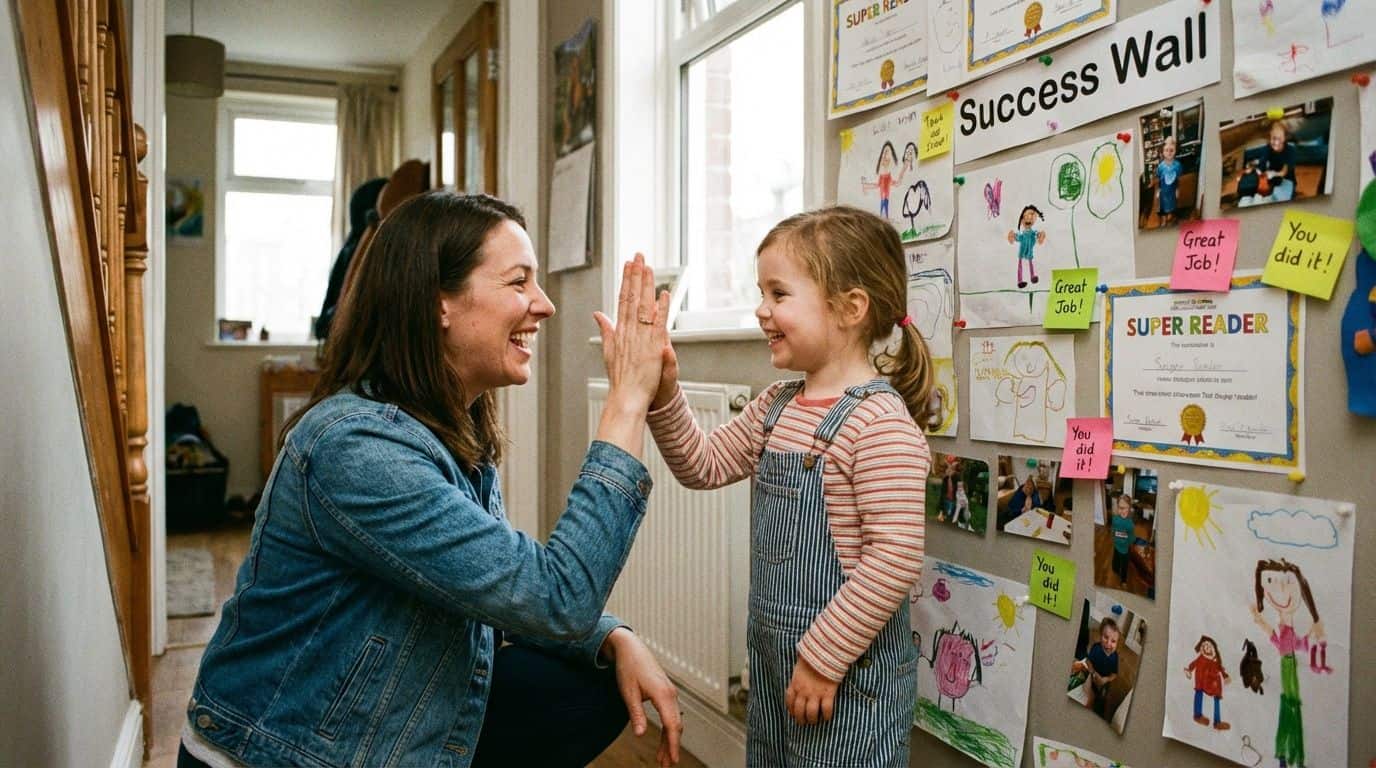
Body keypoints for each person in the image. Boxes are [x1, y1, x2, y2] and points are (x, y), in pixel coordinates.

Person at [178, 192, 684, 768]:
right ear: (438, 301)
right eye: (518, 282)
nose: (543, 305)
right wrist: (627, 402)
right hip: (279, 755)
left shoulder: (448, 426)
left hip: (373, 731)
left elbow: (499, 585)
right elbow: (555, 598)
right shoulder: (357, 447)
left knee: (587, 687)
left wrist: (611, 637)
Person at [645, 205, 933, 766]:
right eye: (761, 293)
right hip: (779, 667)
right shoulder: (776, 406)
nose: (761, 310)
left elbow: (894, 558)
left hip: (845, 682)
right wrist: (664, 393)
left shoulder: (879, 425)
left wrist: (824, 659)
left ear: (849, 308)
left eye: (779, 294)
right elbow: (700, 464)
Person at [1251, 558, 1324, 768]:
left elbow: (1292, 643)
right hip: (1287, 665)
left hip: (1289, 664)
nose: (1280, 589)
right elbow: (1281, 641)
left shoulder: (1287, 628)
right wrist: (1260, 620)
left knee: (1291, 706)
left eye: (1288, 582)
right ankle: (1290, 755)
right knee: (1291, 706)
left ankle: (1289, 755)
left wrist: (1311, 633)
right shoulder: (1284, 629)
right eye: (1272, 581)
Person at [1072, 617, 1121, 718]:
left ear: (1117, 643)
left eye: (1113, 641)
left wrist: (1105, 679)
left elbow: (1114, 674)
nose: (1108, 643)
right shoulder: (1096, 648)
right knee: (1088, 695)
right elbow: (1088, 661)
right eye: (1105, 637)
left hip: (1105, 681)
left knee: (1102, 698)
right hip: (1093, 675)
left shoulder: (1115, 657)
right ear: (1100, 635)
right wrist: (1093, 673)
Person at [1185, 635, 1231, 731]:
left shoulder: (1215, 660)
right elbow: (1193, 664)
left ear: (1213, 648)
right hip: (1201, 680)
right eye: (1204, 645)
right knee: (1199, 693)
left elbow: (1220, 668)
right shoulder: (1201, 658)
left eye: (1209, 645)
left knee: (1217, 698)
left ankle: (1217, 722)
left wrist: (1225, 676)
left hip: (1213, 681)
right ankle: (1197, 715)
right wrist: (1189, 669)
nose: (1207, 647)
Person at [1006, 204, 1046, 288]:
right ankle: (1020, 280)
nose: (1028, 219)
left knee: (1030, 264)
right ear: (1022, 219)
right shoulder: (1023, 234)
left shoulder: (1032, 233)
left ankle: (1032, 276)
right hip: (1022, 251)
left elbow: (1037, 235)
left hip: (1029, 252)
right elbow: (1018, 237)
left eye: (1031, 217)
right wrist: (1013, 236)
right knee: (1020, 265)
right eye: (1025, 217)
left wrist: (1040, 236)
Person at [1154, 136, 1181, 225]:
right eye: (1166, 150)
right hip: (1163, 190)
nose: (1169, 153)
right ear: (1163, 152)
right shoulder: (1161, 166)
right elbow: (1158, 178)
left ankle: (1171, 217)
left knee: (1172, 205)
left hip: (1172, 190)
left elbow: (1178, 179)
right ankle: (1164, 220)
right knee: (1163, 206)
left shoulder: (1177, 165)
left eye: (1171, 150)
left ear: (1175, 151)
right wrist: (1158, 190)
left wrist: (1177, 189)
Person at [1111, 493, 1136, 587]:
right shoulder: (1115, 519)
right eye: (1120, 508)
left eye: (1125, 508)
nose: (1122, 510)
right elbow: (1113, 529)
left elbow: (1131, 537)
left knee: (1124, 565)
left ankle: (1123, 580)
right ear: (1117, 507)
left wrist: (1128, 543)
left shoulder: (1130, 524)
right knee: (1116, 559)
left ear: (1129, 508)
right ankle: (1115, 569)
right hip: (1116, 545)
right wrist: (1113, 538)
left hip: (1125, 548)